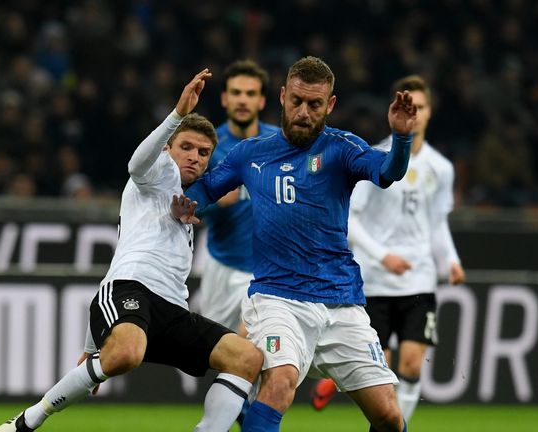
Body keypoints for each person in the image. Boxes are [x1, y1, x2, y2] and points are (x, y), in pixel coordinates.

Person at [0, 69, 263, 432]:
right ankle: (27, 421)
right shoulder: (155, 173)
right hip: (130, 290)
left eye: (203, 153)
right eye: (186, 147)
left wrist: (92, 349)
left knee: (246, 358)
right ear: (169, 147)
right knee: (127, 354)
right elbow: (136, 164)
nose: (195, 157)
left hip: (171, 309)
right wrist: (177, 115)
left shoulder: (190, 201)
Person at [175, 56, 416, 432]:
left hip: (340, 299)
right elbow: (206, 188)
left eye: (315, 104)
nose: (304, 112)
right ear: (283, 97)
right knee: (280, 381)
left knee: (388, 415)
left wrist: (401, 138)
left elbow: (387, 172)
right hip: (278, 298)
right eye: (297, 102)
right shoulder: (249, 154)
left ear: (330, 105)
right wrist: (184, 205)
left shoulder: (342, 148)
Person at [310, 75, 466, 423]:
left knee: (411, 362)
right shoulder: (375, 157)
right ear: (396, 109)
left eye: (422, 106)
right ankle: (333, 381)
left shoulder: (442, 169)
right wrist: (383, 256)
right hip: (376, 279)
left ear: (429, 112)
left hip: (420, 279)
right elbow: (350, 220)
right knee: (376, 368)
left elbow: (437, 221)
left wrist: (450, 261)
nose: (417, 112)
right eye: (411, 104)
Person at [197, 59, 279, 334]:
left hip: (267, 270)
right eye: (236, 93)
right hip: (222, 265)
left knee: (255, 345)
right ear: (224, 98)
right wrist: (215, 202)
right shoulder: (206, 147)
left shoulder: (281, 145)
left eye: (250, 93)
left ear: (261, 100)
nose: (243, 100)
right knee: (221, 355)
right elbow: (188, 209)